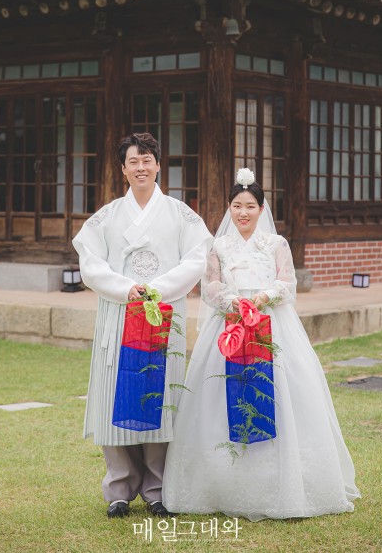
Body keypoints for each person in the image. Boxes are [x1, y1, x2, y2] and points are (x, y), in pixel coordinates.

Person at [163, 168, 360, 520]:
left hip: (271, 322)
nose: (243, 213)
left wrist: (264, 297)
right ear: (229, 208)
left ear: (262, 209)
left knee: (280, 393)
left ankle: (286, 485)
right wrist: (233, 302)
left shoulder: (276, 244)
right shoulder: (218, 246)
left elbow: (288, 283)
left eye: (250, 206)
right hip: (230, 323)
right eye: (237, 206)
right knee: (222, 394)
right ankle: (220, 484)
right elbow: (209, 288)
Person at [73, 133, 212, 519]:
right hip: (119, 315)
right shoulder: (106, 217)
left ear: (158, 165)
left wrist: (157, 289)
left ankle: (156, 489)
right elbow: (90, 263)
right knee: (113, 395)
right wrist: (126, 289)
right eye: (133, 161)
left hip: (161, 315)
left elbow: (196, 259)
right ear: (123, 169)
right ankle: (119, 489)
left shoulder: (182, 215)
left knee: (158, 396)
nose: (140, 168)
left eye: (147, 160)